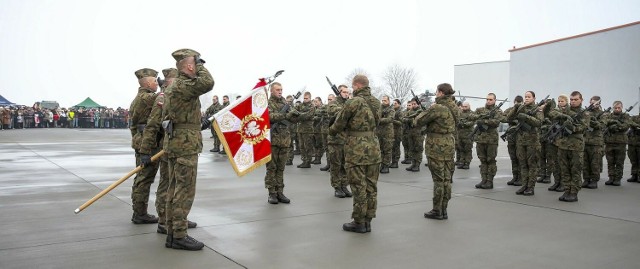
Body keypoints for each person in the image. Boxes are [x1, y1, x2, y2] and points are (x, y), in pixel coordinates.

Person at [162, 48, 214, 250]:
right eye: (196, 64)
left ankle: (172, 233)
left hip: (177, 142)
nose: (199, 67)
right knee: (183, 190)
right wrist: (200, 64)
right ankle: (179, 235)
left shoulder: (176, 87)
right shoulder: (183, 84)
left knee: (174, 189)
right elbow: (208, 82)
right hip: (184, 146)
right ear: (190, 66)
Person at [138, 68, 196, 234]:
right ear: (171, 81)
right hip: (167, 149)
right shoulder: (163, 98)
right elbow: (152, 125)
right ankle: (164, 220)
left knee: (176, 185)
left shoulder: (176, 96)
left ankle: (177, 218)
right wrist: (145, 151)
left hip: (176, 148)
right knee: (167, 185)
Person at [328, 74, 381, 233]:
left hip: (356, 150)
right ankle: (368, 220)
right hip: (373, 148)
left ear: (357, 85)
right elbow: (376, 122)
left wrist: (332, 130)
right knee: (371, 187)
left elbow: (338, 125)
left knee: (358, 187)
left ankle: (359, 221)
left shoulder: (353, 102)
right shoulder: (376, 103)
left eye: (353, 86)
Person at [415, 83, 458, 219]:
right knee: (446, 178)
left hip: (436, 146)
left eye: (436, 92)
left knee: (438, 179)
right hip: (449, 144)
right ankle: (444, 209)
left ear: (440, 92)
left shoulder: (437, 107)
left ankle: (437, 210)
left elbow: (418, 121)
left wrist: (426, 111)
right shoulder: (454, 107)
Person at [128, 68, 160, 224]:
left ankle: (139, 211)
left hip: (140, 141)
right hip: (148, 143)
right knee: (144, 179)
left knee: (141, 178)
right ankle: (140, 213)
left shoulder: (138, 98)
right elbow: (166, 97)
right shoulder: (147, 98)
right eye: (155, 81)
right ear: (147, 82)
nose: (157, 84)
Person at [548, 91, 588, 202]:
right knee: (564, 169)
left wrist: (572, 127)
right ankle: (567, 190)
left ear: (581, 100)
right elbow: (552, 114)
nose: (573, 102)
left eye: (576, 99)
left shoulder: (585, 113)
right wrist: (562, 115)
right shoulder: (565, 110)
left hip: (576, 146)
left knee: (575, 170)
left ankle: (574, 192)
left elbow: (583, 127)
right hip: (563, 145)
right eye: (572, 100)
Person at [265, 82, 298, 204]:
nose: (280, 91)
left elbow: (292, 118)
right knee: (271, 168)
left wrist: (295, 115)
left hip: (284, 140)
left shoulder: (285, 103)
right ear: (272, 91)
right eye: (278, 89)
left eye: (281, 89)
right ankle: (271, 193)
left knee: (281, 168)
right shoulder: (268, 103)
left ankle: (280, 191)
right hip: (272, 140)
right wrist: (286, 114)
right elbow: (270, 116)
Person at [506, 91, 543, 195]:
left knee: (531, 165)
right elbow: (509, 118)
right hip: (521, 141)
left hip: (532, 141)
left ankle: (530, 187)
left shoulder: (537, 109)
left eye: (529, 97)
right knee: (522, 164)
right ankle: (524, 185)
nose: (526, 98)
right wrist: (515, 108)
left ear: (534, 98)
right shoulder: (521, 108)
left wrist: (526, 117)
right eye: (525, 97)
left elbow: (539, 122)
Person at [472, 93, 503, 189]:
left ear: (494, 100)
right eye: (487, 99)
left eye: (490, 99)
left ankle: (490, 181)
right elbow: (473, 116)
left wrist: (484, 121)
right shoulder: (480, 110)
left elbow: (496, 122)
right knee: (482, 160)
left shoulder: (498, 111)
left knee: (491, 160)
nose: (488, 101)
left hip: (491, 140)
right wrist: (482, 117)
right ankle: (483, 179)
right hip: (481, 139)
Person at [326, 85, 352, 198]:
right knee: (336, 165)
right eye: (344, 92)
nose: (346, 94)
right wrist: (347, 108)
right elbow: (334, 111)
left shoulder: (349, 103)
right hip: (335, 139)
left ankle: (344, 185)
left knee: (345, 165)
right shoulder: (334, 103)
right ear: (339, 92)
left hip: (346, 140)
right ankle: (337, 187)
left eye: (348, 92)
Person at [602, 100, 630, 187]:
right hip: (609, 142)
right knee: (610, 161)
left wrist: (616, 127)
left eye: (619, 108)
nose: (617, 109)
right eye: (615, 108)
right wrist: (611, 126)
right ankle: (611, 177)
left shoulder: (626, 116)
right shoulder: (608, 115)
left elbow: (626, 126)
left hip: (620, 143)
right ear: (613, 107)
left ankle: (617, 179)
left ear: (622, 108)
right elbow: (604, 124)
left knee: (619, 162)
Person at [583, 96, 605, 189]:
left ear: (599, 103)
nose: (593, 105)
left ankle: (594, 180)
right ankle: (586, 179)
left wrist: (591, 120)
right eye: (592, 103)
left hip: (596, 142)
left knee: (595, 163)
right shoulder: (586, 113)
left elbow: (601, 125)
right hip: (585, 141)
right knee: (585, 162)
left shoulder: (603, 114)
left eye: (595, 103)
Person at [547, 94, 568, 192]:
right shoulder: (555, 111)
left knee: (562, 163)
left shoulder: (568, 111)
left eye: (562, 101)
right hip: (554, 139)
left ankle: (563, 183)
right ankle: (557, 182)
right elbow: (550, 114)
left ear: (566, 102)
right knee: (554, 162)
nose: (560, 103)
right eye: (559, 101)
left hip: (563, 141)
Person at [503, 95, 523, 185]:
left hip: (520, 136)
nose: (517, 105)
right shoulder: (510, 110)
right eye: (516, 103)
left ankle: (521, 178)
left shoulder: (524, 110)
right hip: (511, 136)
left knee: (520, 158)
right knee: (513, 158)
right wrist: (512, 120)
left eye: (519, 103)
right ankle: (515, 177)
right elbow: (503, 118)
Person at [402, 99, 424, 172]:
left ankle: (417, 165)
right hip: (410, 132)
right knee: (412, 149)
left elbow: (419, 121)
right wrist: (408, 120)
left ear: (418, 104)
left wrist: (409, 120)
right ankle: (413, 163)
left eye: (415, 104)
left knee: (418, 149)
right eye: (412, 104)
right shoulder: (410, 112)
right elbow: (403, 119)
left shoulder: (421, 111)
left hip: (418, 133)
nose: (413, 105)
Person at [296, 92, 316, 168]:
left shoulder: (312, 106)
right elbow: (294, 111)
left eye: (306, 98)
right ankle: (304, 160)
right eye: (304, 98)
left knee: (308, 146)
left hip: (308, 129)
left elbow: (307, 116)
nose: (305, 100)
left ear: (310, 98)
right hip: (300, 129)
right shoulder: (300, 105)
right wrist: (299, 114)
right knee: (301, 146)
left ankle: (308, 161)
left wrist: (299, 115)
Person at [376, 95, 395, 173]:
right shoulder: (380, 108)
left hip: (388, 133)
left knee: (387, 150)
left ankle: (386, 165)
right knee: (380, 150)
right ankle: (381, 164)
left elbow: (390, 119)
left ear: (388, 101)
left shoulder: (391, 110)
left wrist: (379, 120)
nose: (383, 102)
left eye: (385, 100)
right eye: (382, 100)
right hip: (379, 132)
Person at [456, 102, 474, 169]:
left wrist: (463, 124)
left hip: (468, 135)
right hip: (460, 135)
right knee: (461, 149)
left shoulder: (472, 114)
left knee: (468, 150)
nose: (464, 108)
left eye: (466, 106)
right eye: (463, 106)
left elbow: (472, 122)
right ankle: (461, 162)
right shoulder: (460, 113)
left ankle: (467, 162)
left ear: (469, 106)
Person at [391, 99, 403, 168]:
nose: (394, 105)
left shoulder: (400, 112)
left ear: (398, 104)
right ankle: (393, 161)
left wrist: (392, 120)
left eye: (395, 103)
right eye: (393, 103)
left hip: (397, 132)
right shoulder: (393, 111)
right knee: (392, 147)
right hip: (392, 132)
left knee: (396, 147)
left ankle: (395, 162)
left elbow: (401, 122)